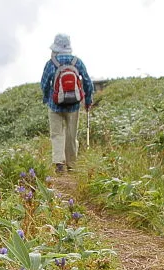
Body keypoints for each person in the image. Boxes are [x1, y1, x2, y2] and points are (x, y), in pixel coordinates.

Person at [40, 33, 94, 173]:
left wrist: (47, 97)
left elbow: (44, 83)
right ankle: (72, 165)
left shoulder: (51, 63)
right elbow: (88, 82)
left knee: (57, 134)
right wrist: (88, 101)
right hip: (74, 105)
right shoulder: (77, 62)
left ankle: (59, 163)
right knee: (71, 135)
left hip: (55, 104)